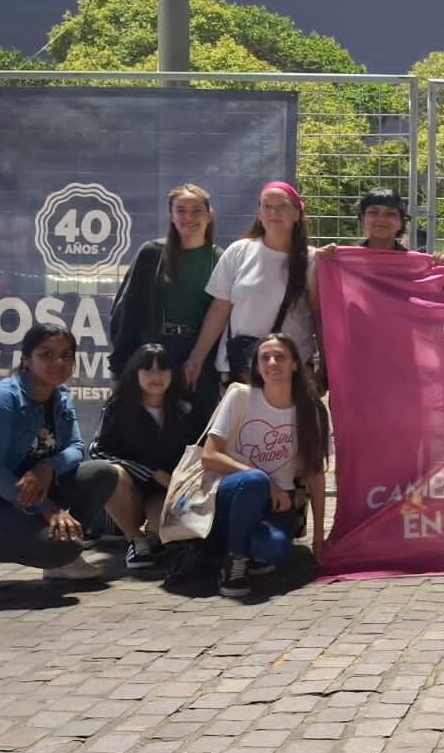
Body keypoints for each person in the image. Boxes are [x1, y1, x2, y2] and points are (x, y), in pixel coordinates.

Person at [0, 322, 115, 589]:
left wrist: (47, 466)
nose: (59, 362)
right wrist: (47, 508)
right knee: (62, 548)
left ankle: (61, 561)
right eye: (46, 354)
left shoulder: (61, 397)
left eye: (67, 355)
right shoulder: (0, 401)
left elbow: (77, 447)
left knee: (102, 473)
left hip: (29, 492)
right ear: (26, 360)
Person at [201, 334, 331, 598]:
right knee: (255, 481)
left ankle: (229, 546)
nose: (273, 363)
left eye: (280, 357)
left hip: (277, 504)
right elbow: (210, 456)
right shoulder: (240, 396)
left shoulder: (311, 410)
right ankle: (235, 561)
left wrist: (319, 540)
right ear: (257, 367)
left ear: (295, 364)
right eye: (265, 358)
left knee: (275, 549)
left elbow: (315, 476)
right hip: (232, 491)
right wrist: (266, 481)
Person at [185, 181, 319, 388]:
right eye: (267, 206)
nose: (274, 212)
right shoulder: (239, 251)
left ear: (297, 213)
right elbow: (220, 309)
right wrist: (196, 358)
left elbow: (321, 320)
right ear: (259, 213)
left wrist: (325, 369)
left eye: (282, 205)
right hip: (240, 372)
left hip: (292, 376)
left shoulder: (313, 261)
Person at [108, 183, 223, 425]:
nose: (188, 217)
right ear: (171, 216)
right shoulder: (152, 254)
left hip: (199, 358)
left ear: (210, 215)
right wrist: (119, 368)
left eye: (196, 210)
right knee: (146, 427)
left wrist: (199, 359)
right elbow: (128, 311)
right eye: (181, 210)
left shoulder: (221, 260)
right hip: (155, 352)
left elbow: (222, 317)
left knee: (195, 426)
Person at [89, 343, 199, 571]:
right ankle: (135, 540)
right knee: (111, 473)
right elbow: (97, 451)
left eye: (163, 369)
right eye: (148, 369)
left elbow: (197, 454)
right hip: (128, 492)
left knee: (166, 530)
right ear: (134, 372)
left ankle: (153, 536)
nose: (156, 376)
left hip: (166, 493)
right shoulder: (117, 408)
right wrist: (150, 472)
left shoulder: (185, 409)